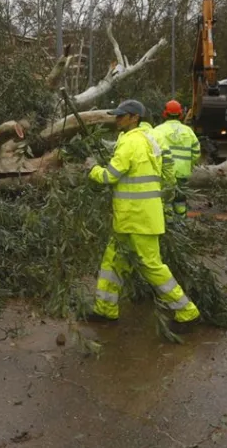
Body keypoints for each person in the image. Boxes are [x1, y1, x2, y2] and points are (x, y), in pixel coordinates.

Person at [85, 99, 201, 333]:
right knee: (113, 260)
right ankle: (105, 309)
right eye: (117, 115)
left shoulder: (132, 142)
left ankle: (187, 311)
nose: (117, 119)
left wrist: (92, 169)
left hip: (138, 218)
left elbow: (111, 176)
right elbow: (167, 173)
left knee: (151, 265)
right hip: (133, 217)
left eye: (121, 115)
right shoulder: (151, 139)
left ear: (134, 118)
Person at [152, 100, 201, 218]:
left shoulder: (157, 131)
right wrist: (188, 164)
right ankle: (182, 223)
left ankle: (169, 224)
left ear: (165, 113)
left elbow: (153, 152)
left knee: (166, 200)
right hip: (182, 173)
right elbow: (196, 153)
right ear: (181, 114)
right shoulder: (188, 131)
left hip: (164, 173)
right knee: (180, 200)